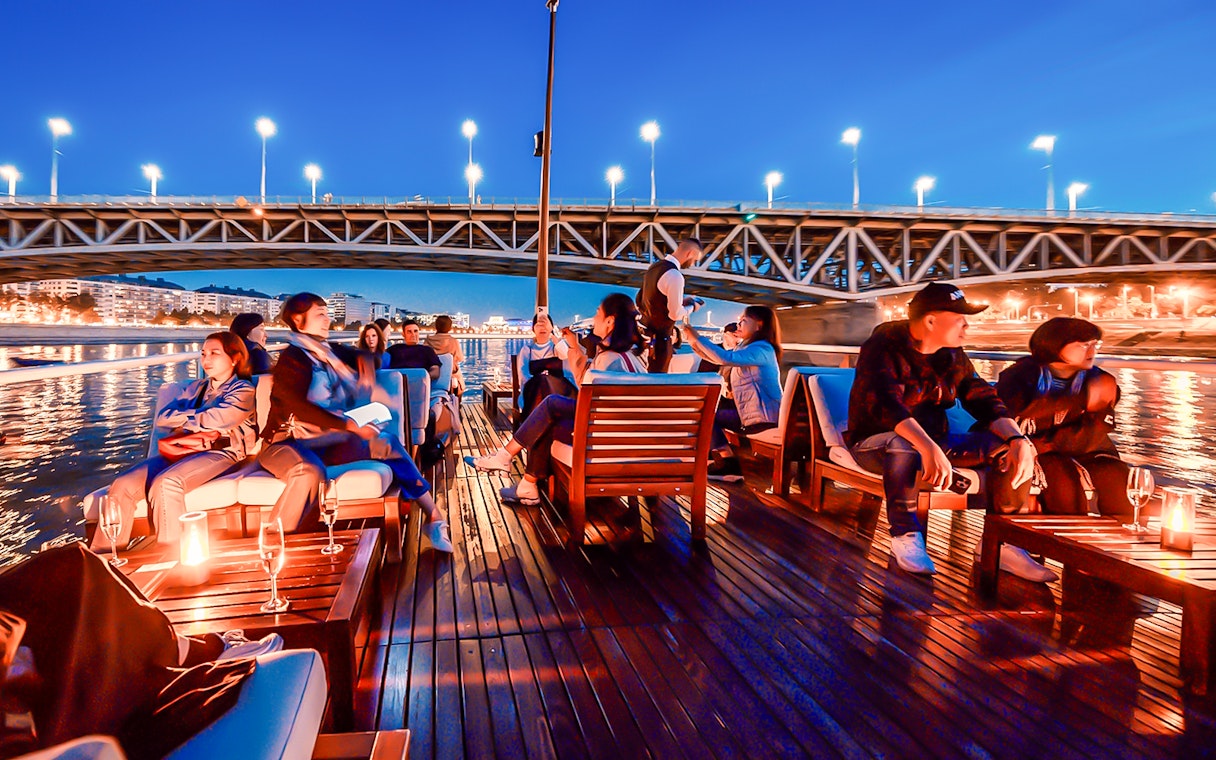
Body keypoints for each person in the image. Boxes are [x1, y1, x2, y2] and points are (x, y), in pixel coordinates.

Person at [847, 282, 1054, 580]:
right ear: (931, 320)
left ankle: (1002, 543)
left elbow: (983, 399)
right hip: (876, 445)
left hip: (934, 444)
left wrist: (1017, 439)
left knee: (1010, 448)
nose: (967, 326)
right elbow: (885, 405)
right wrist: (927, 447)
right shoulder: (883, 346)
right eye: (960, 318)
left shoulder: (952, 355)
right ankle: (905, 536)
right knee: (904, 443)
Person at [256, 293, 452, 552]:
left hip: (323, 441)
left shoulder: (329, 353)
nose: (327, 319)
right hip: (286, 443)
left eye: (327, 313)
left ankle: (435, 518)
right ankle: (275, 548)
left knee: (387, 442)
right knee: (308, 472)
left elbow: (369, 356)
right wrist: (349, 425)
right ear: (297, 319)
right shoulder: (293, 359)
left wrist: (367, 365)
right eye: (320, 314)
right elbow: (295, 406)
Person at [471, 293, 647, 505]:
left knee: (549, 412)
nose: (594, 318)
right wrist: (573, 347)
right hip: (625, 437)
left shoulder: (609, 359)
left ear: (610, 321)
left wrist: (571, 349)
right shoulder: (635, 358)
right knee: (551, 407)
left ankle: (508, 460)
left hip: (606, 441)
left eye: (597, 313)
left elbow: (586, 394)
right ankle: (526, 483)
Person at [94, 332, 257, 549]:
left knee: (167, 483)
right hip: (183, 449)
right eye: (203, 354)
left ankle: (171, 557)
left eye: (214, 353)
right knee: (122, 485)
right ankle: (104, 559)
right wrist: (199, 418)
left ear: (235, 358)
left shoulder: (243, 389)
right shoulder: (195, 388)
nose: (206, 360)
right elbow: (163, 416)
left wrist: (186, 417)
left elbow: (222, 419)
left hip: (223, 453)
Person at [996, 317, 1130, 516]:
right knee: (1059, 474)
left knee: (1115, 474)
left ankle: (1123, 537)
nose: (1093, 352)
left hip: (1083, 447)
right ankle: (1061, 542)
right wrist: (1036, 445)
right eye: (1084, 345)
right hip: (1030, 447)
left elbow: (1094, 433)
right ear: (1055, 345)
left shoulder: (1100, 382)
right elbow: (1007, 418)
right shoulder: (1019, 378)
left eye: (1096, 344)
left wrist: (1045, 444)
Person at [682, 306, 783, 480]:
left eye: (744, 320)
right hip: (755, 415)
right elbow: (719, 357)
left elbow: (725, 358)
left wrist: (698, 337)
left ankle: (728, 463)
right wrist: (694, 343)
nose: (739, 323)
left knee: (705, 415)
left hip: (762, 418)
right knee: (707, 412)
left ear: (759, 325)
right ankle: (723, 460)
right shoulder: (750, 348)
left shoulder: (762, 349)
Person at [636, 238, 705, 372]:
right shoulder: (675, 275)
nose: (692, 264)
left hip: (644, 338)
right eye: (694, 260)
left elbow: (642, 299)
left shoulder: (653, 268)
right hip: (660, 341)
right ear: (690, 253)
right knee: (658, 382)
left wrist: (681, 302)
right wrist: (692, 307)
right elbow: (675, 314)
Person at [515, 311, 575, 417]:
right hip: (533, 397)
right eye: (538, 324)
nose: (542, 328)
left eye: (545, 324)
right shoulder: (527, 350)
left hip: (557, 395)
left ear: (551, 327)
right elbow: (523, 376)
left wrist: (556, 339)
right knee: (541, 381)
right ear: (533, 329)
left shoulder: (556, 347)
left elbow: (567, 356)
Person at [425, 314, 465, 393]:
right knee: (460, 380)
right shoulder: (454, 342)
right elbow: (459, 358)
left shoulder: (428, 341)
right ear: (450, 327)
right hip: (450, 376)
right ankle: (458, 403)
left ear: (436, 326)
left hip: (432, 376)